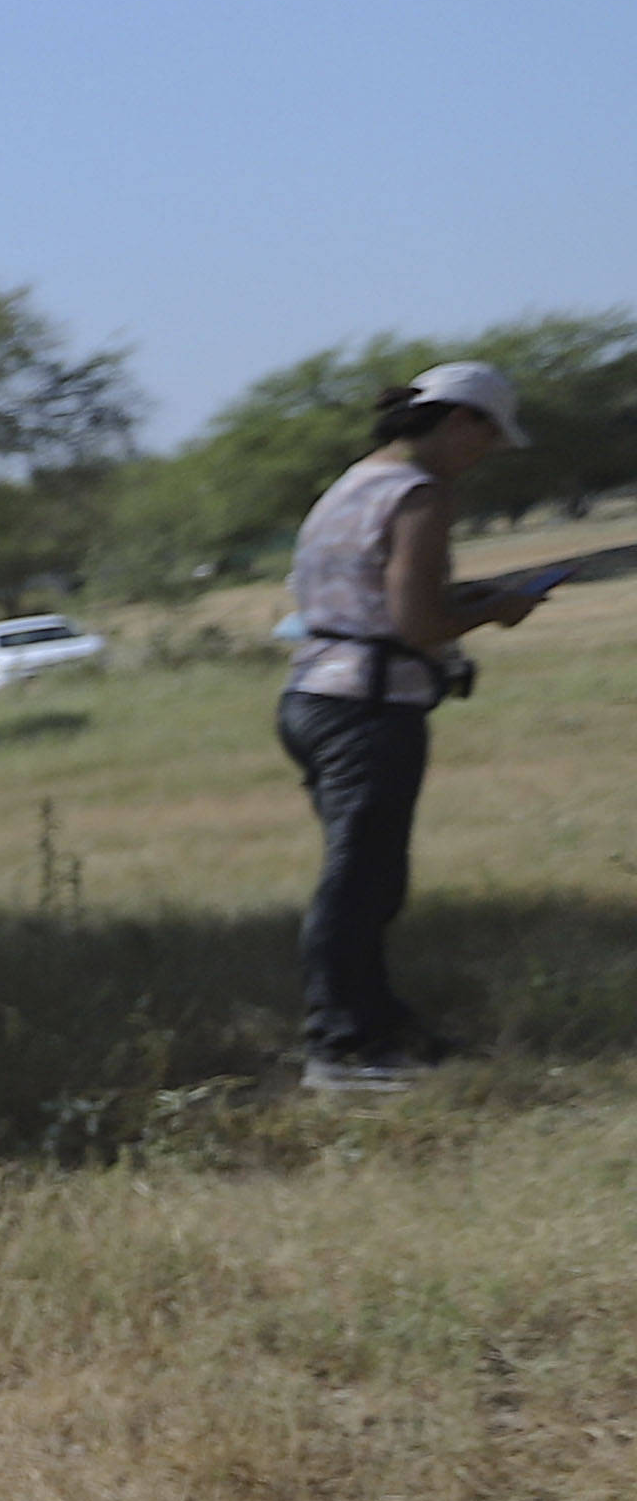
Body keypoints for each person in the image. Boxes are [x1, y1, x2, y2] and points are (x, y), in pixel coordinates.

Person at [279, 359, 548, 1089]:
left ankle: (382, 1024)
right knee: (359, 883)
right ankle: (338, 1048)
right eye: (486, 439)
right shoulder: (421, 494)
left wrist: (468, 594)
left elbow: (360, 596)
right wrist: (496, 609)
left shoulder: (356, 482)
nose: (485, 456)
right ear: (462, 420)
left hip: (313, 696)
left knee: (370, 876)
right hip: (368, 706)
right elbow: (420, 623)